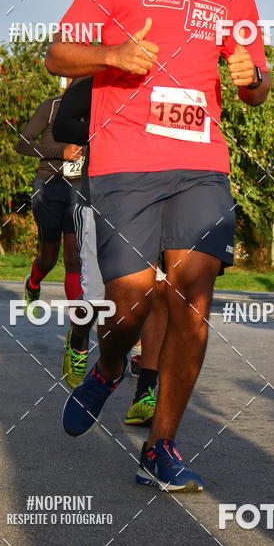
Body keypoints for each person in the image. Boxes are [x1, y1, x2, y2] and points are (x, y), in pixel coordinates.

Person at [45, 0, 270, 491]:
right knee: (133, 304)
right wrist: (112, 56)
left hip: (202, 162)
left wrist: (251, 79)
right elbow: (58, 53)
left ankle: (160, 448)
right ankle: (110, 366)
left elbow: (255, 84)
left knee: (192, 306)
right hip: (126, 162)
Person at [52, 75, 166, 426]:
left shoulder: (169, 81)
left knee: (155, 293)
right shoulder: (93, 82)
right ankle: (82, 338)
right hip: (99, 200)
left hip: (157, 201)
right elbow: (63, 127)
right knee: (99, 299)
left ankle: (146, 390)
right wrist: (118, 131)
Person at [15, 95, 83, 311]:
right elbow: (22, 144)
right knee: (49, 258)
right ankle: (33, 283)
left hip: (79, 189)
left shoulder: (97, 106)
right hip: (49, 188)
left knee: (74, 259)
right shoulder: (52, 106)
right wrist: (60, 153)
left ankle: (76, 333)